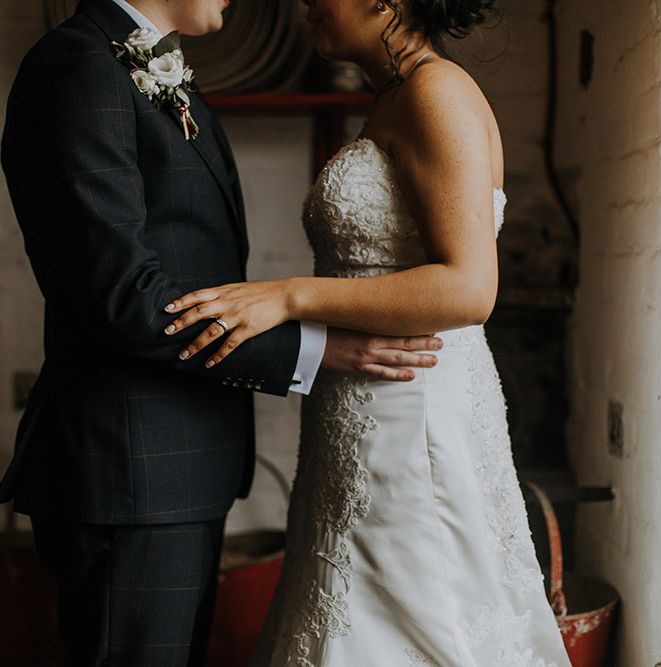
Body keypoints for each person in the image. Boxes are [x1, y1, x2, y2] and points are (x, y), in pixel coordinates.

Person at [0, 0, 441, 664]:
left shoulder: (142, 61)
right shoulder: (79, 68)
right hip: (133, 467)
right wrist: (315, 348)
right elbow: (121, 297)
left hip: (173, 463)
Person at [164, 0, 573, 664]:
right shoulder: (394, 96)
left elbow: (469, 288)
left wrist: (290, 295)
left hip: (410, 416)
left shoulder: (437, 92)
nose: (303, 4)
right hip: (362, 409)